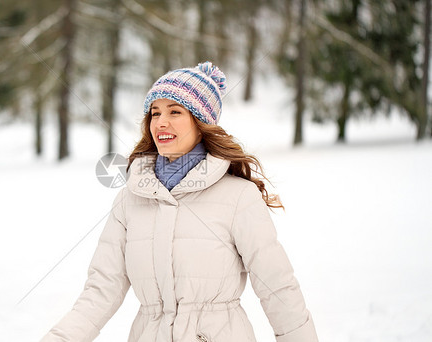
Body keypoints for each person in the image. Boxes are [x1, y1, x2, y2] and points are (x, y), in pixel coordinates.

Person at [40, 62, 319, 342]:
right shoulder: (129, 200)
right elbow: (102, 290)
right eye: (155, 112)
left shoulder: (238, 197)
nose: (161, 122)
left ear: (201, 125)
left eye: (175, 112)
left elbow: (277, 288)